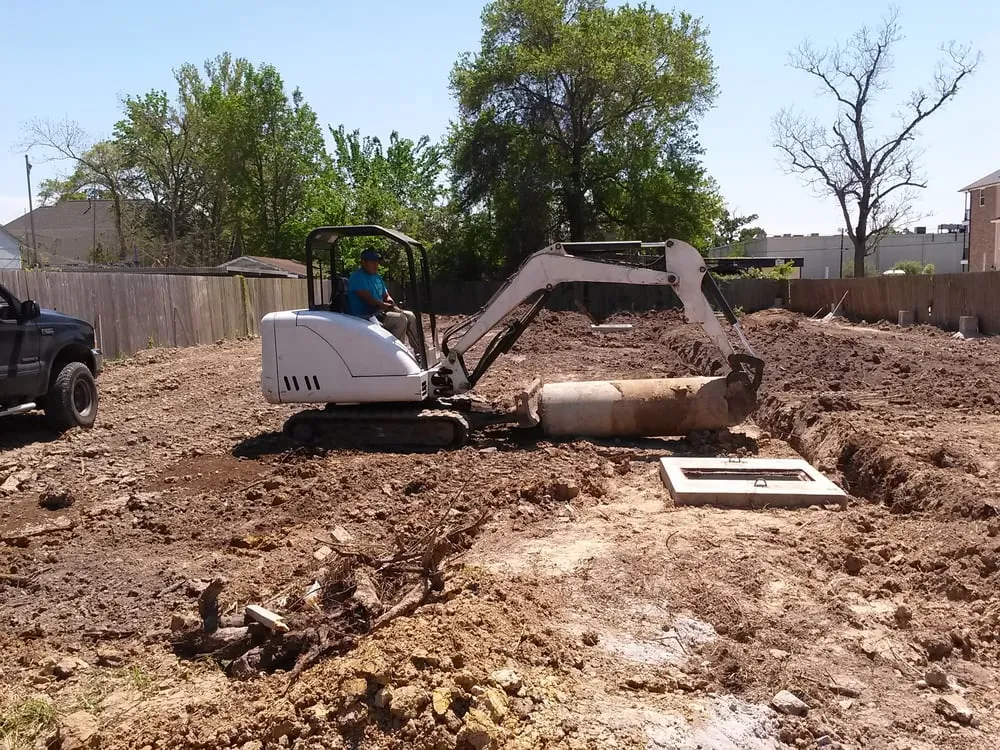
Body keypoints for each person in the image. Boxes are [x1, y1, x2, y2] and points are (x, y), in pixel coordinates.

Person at [346, 248, 418, 349]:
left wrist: (391, 302)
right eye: (372, 262)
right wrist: (388, 307)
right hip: (365, 317)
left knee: (410, 316)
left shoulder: (376, 277)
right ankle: (395, 354)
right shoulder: (357, 277)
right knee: (400, 320)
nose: (376, 265)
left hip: (379, 313)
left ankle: (420, 353)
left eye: (376, 262)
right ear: (363, 262)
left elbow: (385, 295)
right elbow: (371, 301)